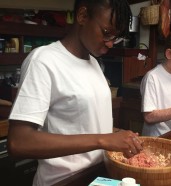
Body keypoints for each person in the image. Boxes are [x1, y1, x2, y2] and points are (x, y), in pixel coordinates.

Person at [7, 1, 143, 186]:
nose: (110, 43)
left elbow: (84, 126)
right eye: (106, 33)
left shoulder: (94, 63)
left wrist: (119, 137)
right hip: (64, 180)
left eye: (116, 37)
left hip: (99, 177)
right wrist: (103, 140)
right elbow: (19, 143)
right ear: (83, 16)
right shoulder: (43, 61)